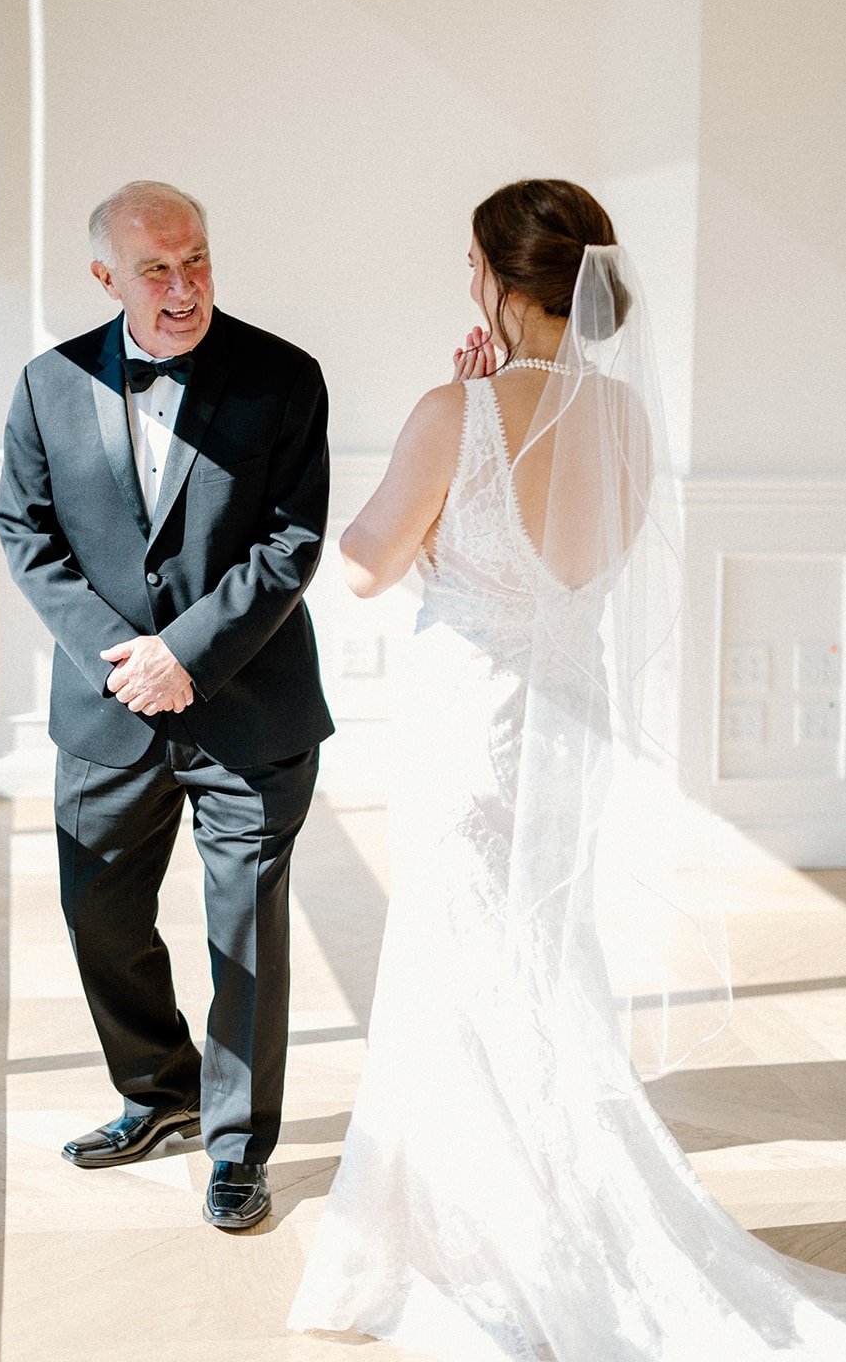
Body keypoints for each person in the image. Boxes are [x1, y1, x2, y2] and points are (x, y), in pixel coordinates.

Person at [289, 179, 846, 1357]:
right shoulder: (627, 418)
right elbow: (583, 556)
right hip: (572, 715)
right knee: (542, 951)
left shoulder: (458, 409)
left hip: (472, 720)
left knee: (458, 954)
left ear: (496, 277)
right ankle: (553, 1190)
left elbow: (363, 566)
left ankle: (477, 1230)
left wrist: (455, 447)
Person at [0, 180, 333, 1231]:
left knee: (247, 933)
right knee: (96, 910)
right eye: (157, 269)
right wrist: (126, 660)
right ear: (106, 276)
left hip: (250, 707)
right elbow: (24, 531)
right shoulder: (46, 384)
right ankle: (159, 1092)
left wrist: (186, 654)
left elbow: (292, 541)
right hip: (108, 712)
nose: (184, 286)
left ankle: (238, 1147)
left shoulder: (284, 376)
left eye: (197, 261)